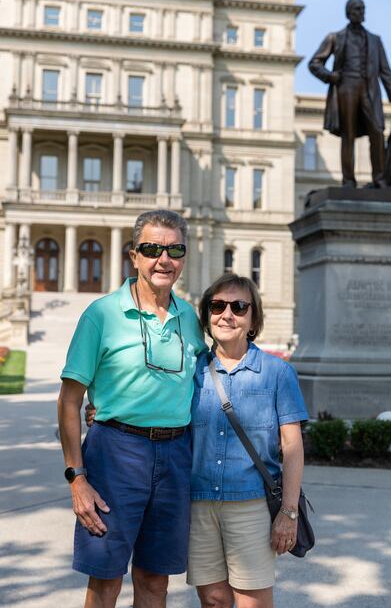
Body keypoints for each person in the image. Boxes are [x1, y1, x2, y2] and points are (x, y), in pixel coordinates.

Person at [57, 209, 206, 608]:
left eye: (175, 249)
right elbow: (70, 401)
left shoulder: (189, 317)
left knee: (156, 581)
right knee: (106, 582)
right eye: (152, 248)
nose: (164, 259)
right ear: (134, 255)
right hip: (115, 454)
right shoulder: (101, 315)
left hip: (175, 456)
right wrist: (77, 477)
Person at [187, 273, 309, 608]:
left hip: (251, 506)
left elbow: (293, 449)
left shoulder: (277, 373)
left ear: (253, 319)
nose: (227, 314)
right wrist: (100, 409)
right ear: (206, 315)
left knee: (251, 602)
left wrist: (289, 512)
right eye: (218, 305)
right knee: (212, 600)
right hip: (199, 503)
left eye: (239, 306)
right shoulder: (190, 371)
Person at [308, 0, 391, 188]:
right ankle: (348, 180)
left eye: (363, 9)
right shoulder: (335, 37)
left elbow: (385, 71)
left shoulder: (375, 41)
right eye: (356, 9)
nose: (361, 13)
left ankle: (379, 179)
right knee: (349, 134)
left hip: (370, 89)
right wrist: (330, 76)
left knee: (377, 131)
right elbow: (314, 63)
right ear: (348, 13)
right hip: (346, 87)